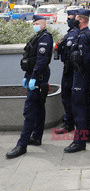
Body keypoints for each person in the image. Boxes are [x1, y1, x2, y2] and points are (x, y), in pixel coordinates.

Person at [6, 15, 53, 159]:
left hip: (38, 76)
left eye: (37, 23)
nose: (34, 24)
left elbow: (42, 60)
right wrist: (27, 76)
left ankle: (22, 144)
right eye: (34, 23)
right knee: (39, 106)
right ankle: (37, 137)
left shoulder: (45, 38)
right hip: (34, 75)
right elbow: (31, 58)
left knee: (30, 109)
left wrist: (33, 77)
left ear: (44, 25)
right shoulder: (37, 36)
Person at [64, 9, 90, 153]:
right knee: (85, 106)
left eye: (76, 18)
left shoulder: (84, 36)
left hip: (81, 77)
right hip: (85, 77)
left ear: (81, 20)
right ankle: (87, 134)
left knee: (79, 109)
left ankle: (79, 141)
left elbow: (86, 60)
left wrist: (84, 74)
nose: (74, 21)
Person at [55, 9, 80, 134]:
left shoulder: (76, 33)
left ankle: (69, 123)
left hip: (72, 70)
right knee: (67, 97)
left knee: (69, 97)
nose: (68, 20)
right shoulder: (70, 33)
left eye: (70, 18)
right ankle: (70, 121)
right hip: (68, 68)